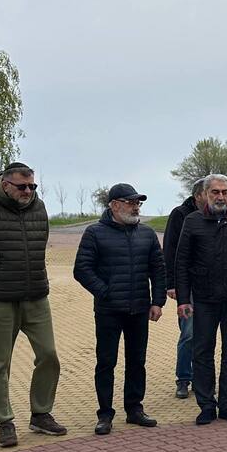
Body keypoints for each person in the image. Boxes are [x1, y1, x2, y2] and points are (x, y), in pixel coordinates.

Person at [0, 162, 66, 449]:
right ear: (5, 184)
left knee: (49, 355)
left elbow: (40, 244)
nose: (28, 191)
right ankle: (4, 421)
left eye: (32, 186)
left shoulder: (39, 207)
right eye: (22, 186)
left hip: (35, 295)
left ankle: (41, 413)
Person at [73, 183, 166, 435]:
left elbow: (158, 269)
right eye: (131, 202)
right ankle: (105, 414)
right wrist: (105, 291)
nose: (136, 207)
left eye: (138, 203)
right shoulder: (95, 233)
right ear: (114, 205)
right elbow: (82, 269)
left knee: (137, 361)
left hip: (139, 309)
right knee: (106, 362)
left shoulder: (146, 234)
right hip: (108, 311)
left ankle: (134, 409)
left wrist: (157, 301)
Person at [175, 174, 227, 425]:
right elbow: (182, 262)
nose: (220, 196)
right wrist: (183, 299)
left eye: (225, 192)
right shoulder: (192, 221)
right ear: (205, 194)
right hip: (204, 299)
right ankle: (207, 405)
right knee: (202, 352)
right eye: (215, 192)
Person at [162, 178, 207, 400]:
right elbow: (169, 249)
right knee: (188, 333)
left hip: (208, 285)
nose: (215, 197)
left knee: (205, 334)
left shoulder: (215, 214)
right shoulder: (180, 214)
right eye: (209, 192)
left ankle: (202, 379)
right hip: (185, 285)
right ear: (198, 195)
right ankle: (183, 378)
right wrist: (170, 284)